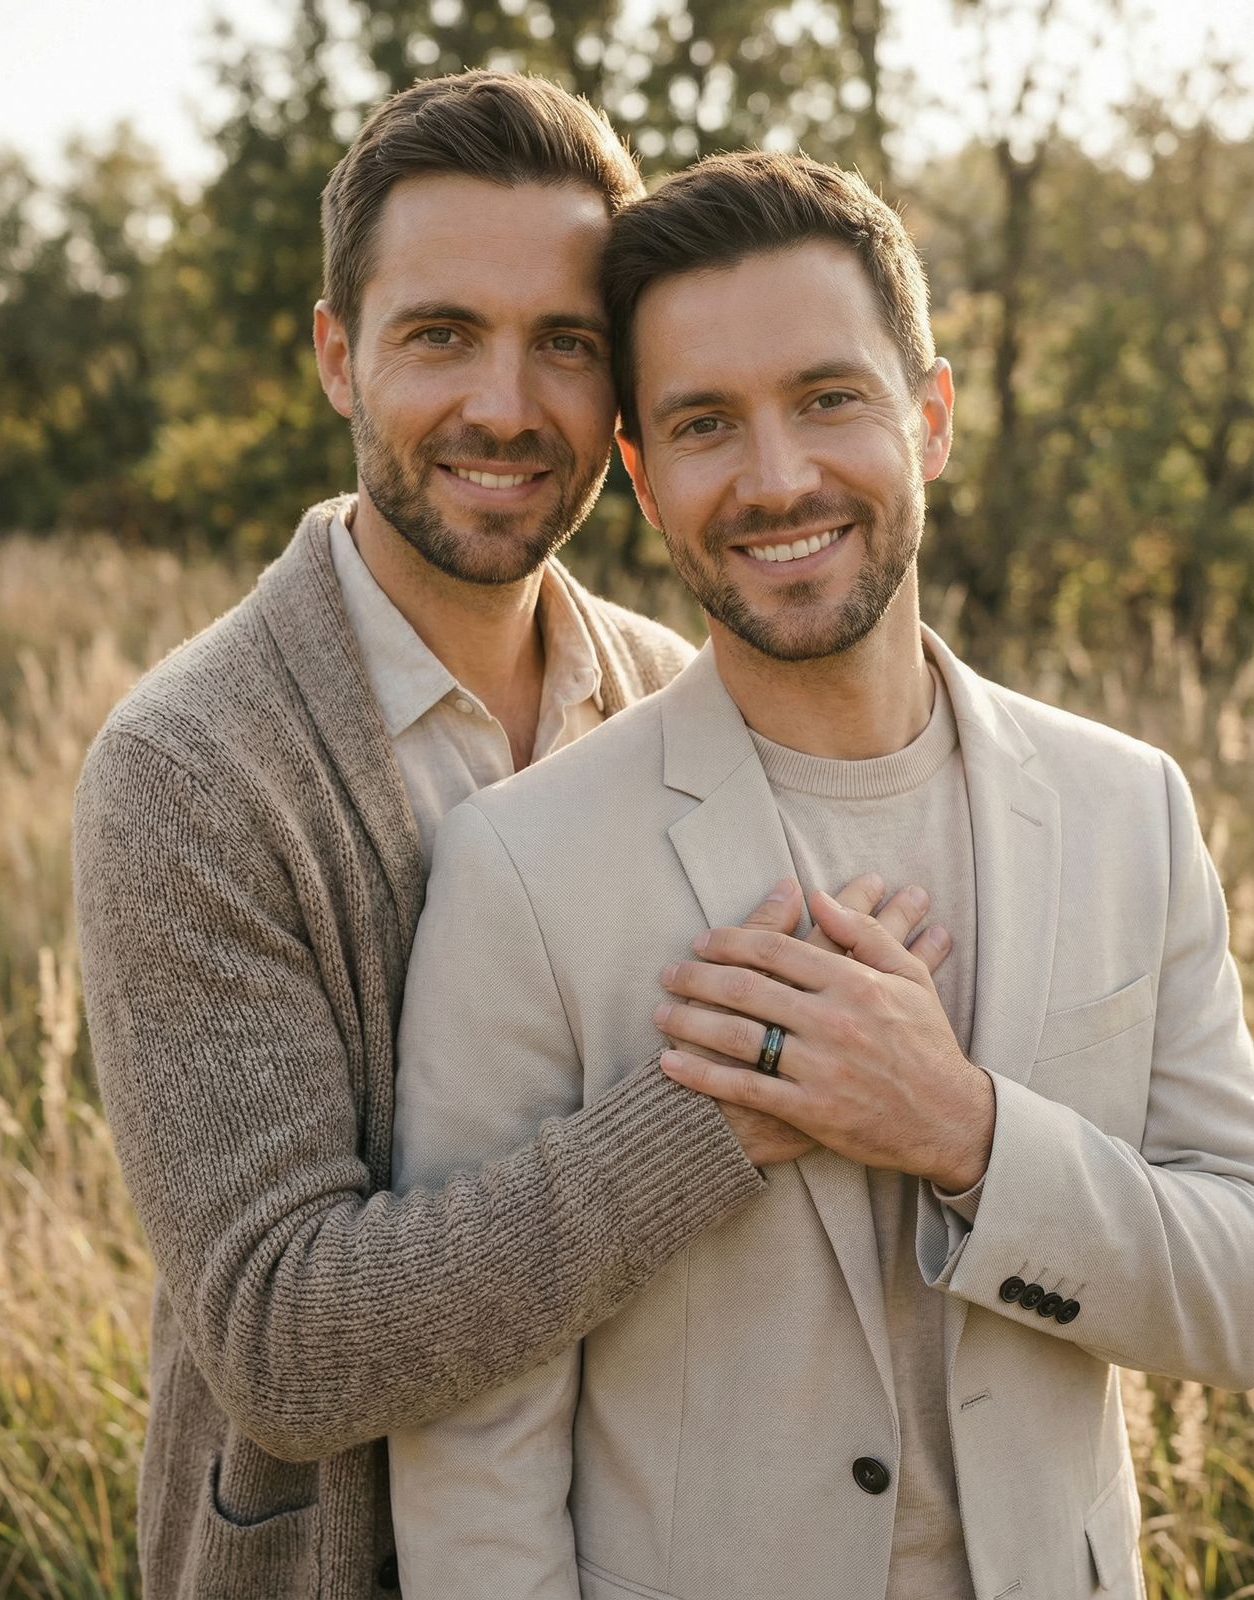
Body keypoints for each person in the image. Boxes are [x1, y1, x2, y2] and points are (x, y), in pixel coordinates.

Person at [72, 77, 943, 1600]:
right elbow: (284, 1343)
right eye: (438, 335)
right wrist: (726, 1112)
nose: (503, 403)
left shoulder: (683, 697)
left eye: (562, 344)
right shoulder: (190, 771)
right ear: (337, 354)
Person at [389, 151, 1254, 1600]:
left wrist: (967, 1132)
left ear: (929, 417)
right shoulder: (518, 869)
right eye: (705, 425)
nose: (777, 477)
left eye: (827, 398)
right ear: (642, 478)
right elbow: (477, 1442)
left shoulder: (1129, 807)